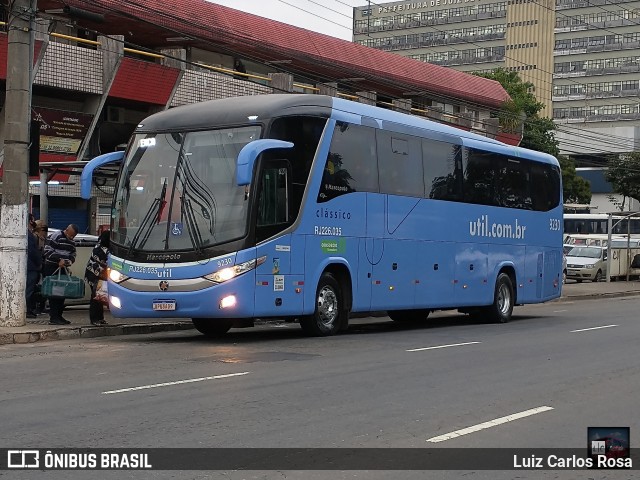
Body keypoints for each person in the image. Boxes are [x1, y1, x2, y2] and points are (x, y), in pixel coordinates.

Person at [42, 224, 78, 325]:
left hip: (63, 268)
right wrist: (58, 259)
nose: (71, 238)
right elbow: (47, 251)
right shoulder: (56, 236)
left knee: (62, 292)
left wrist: (68, 261)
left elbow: (73, 254)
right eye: (70, 235)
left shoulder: (72, 242)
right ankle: (53, 317)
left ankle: (59, 315)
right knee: (54, 293)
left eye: (73, 237)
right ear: (66, 230)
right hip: (52, 267)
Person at [85, 230, 110, 325]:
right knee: (96, 298)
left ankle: (100, 318)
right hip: (94, 276)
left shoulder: (100, 246)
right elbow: (104, 263)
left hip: (96, 275)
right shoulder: (102, 249)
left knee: (100, 296)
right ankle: (94, 319)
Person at [26, 214, 42, 319]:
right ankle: (28, 310)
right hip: (31, 266)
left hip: (28, 265)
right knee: (29, 289)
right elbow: (33, 251)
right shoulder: (29, 235)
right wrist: (39, 262)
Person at [32, 220, 49, 315]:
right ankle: (36, 307)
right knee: (36, 287)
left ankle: (41, 306)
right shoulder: (36, 238)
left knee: (43, 286)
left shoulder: (43, 239)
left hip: (42, 265)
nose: (45, 232)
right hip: (38, 265)